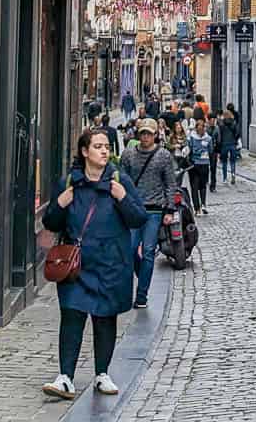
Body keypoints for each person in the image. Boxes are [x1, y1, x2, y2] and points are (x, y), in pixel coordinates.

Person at [41, 126, 148, 401]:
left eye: (106, 146)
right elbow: (51, 223)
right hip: (76, 266)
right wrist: (61, 204)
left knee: (104, 319)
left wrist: (122, 198)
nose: (104, 151)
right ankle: (65, 377)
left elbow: (139, 218)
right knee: (72, 317)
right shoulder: (69, 183)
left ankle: (102, 373)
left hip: (111, 264)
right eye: (98, 146)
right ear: (84, 151)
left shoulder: (119, 180)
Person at [120, 120, 176, 309]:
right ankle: (142, 274)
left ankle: (142, 295)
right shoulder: (128, 155)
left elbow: (170, 183)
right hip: (134, 209)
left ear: (155, 135)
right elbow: (122, 180)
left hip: (154, 210)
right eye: (143, 133)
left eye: (149, 134)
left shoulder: (163, 156)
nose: (145, 137)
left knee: (149, 252)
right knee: (130, 250)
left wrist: (169, 210)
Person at [187, 117, 213, 214]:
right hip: (195, 165)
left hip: (204, 164)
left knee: (202, 185)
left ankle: (202, 205)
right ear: (196, 128)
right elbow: (189, 149)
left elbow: (211, 150)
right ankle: (197, 208)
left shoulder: (208, 138)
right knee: (195, 186)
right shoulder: (192, 138)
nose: (202, 129)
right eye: (200, 127)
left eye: (203, 127)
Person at [218, 105, 241, 185]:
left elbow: (219, 135)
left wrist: (219, 144)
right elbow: (237, 133)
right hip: (232, 144)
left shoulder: (221, 124)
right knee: (232, 161)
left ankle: (224, 178)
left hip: (224, 144)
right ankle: (233, 174)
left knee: (224, 162)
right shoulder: (234, 123)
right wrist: (235, 139)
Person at [206, 113, 221, 194]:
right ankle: (205, 182)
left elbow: (219, 141)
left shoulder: (217, 129)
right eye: (211, 120)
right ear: (208, 120)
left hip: (214, 151)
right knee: (205, 168)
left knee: (213, 169)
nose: (213, 122)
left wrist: (218, 152)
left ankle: (213, 185)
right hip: (206, 151)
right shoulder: (206, 128)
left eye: (214, 120)